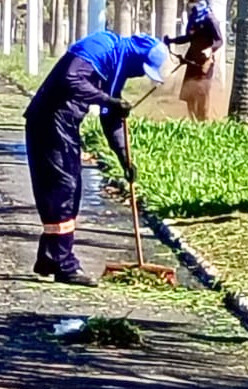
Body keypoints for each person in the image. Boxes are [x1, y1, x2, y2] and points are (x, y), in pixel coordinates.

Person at [24, 30, 167, 286]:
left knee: (70, 191)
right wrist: (109, 99)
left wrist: (125, 160)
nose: (138, 75)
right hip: (49, 121)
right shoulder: (101, 46)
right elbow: (71, 79)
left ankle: (50, 257)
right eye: (141, 69)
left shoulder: (116, 69)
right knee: (64, 191)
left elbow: (110, 118)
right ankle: (63, 264)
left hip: (65, 125)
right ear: (135, 57)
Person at [165, 0, 224, 121]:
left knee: (202, 93)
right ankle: (193, 121)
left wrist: (210, 49)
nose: (192, 8)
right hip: (192, 60)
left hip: (205, 63)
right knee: (188, 95)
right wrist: (172, 40)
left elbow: (219, 41)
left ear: (201, 4)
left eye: (194, 5)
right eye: (190, 5)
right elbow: (188, 38)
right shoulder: (193, 18)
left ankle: (204, 120)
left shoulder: (210, 19)